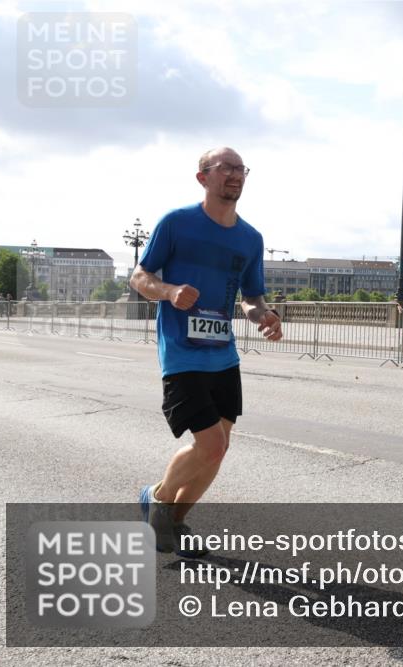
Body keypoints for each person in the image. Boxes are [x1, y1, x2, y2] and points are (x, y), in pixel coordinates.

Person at [131, 147, 282, 557]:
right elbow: (139, 276)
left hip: (224, 356)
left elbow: (251, 297)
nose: (235, 175)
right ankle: (157, 498)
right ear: (203, 177)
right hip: (182, 354)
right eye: (226, 168)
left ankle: (173, 522)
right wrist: (169, 292)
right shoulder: (177, 223)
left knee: (219, 450)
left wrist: (263, 315)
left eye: (241, 169)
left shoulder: (250, 239)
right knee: (210, 445)